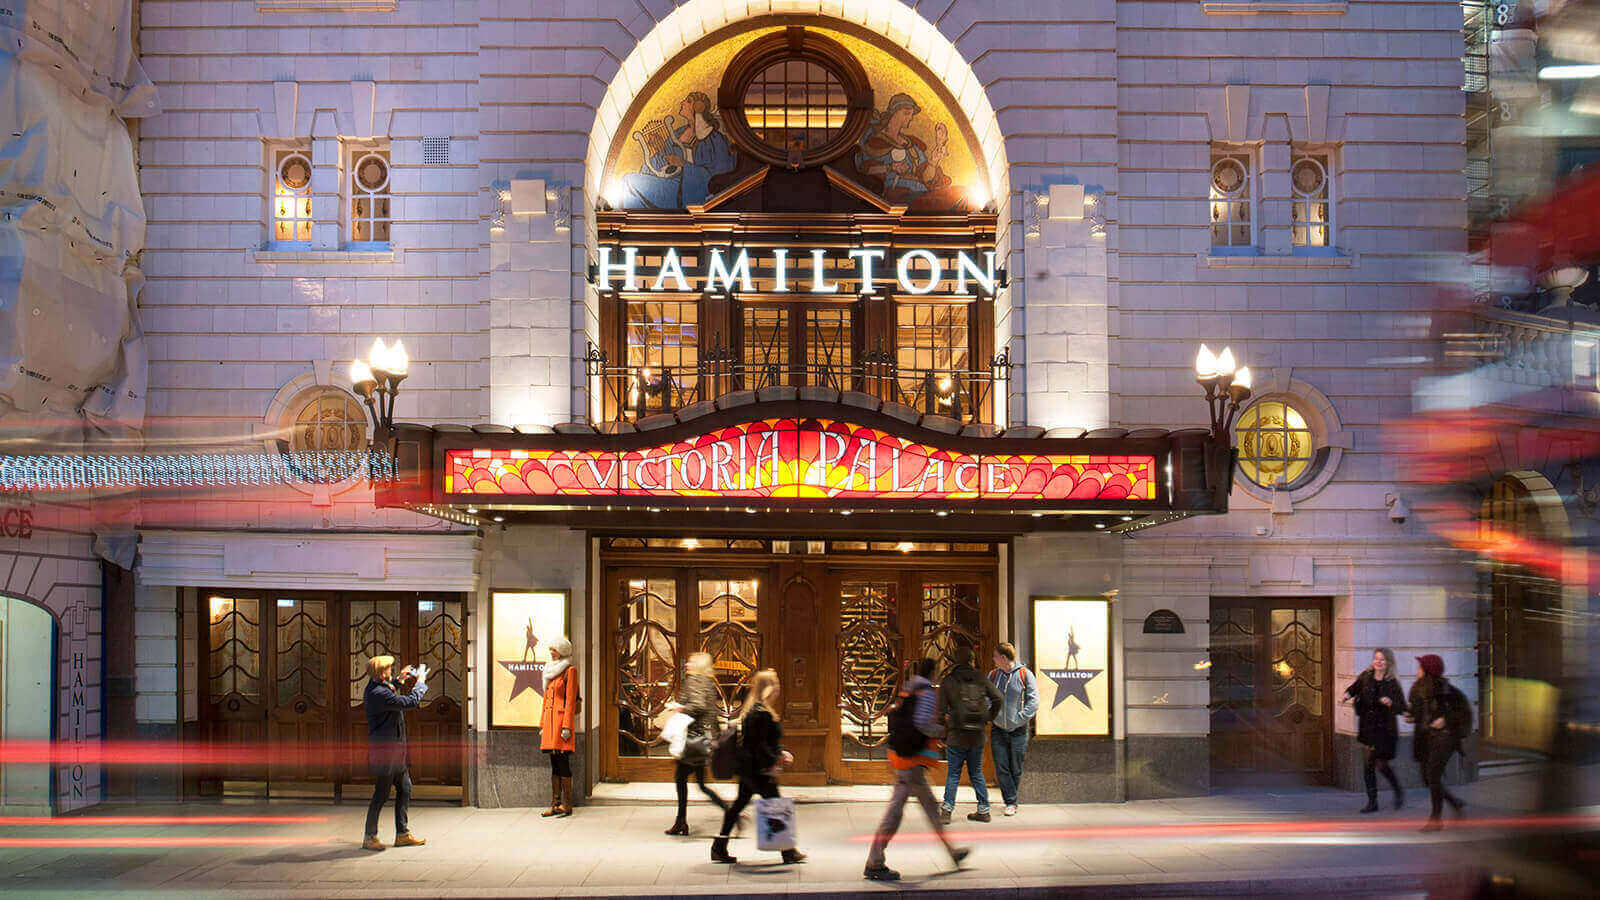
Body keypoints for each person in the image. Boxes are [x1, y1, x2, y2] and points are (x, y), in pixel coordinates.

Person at [864, 658, 970, 882]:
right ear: (934, 673)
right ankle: (874, 861)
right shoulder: (926, 692)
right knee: (896, 813)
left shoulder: (909, 688)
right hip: (910, 763)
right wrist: (941, 731)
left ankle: (953, 852)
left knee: (929, 808)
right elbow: (922, 723)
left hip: (904, 760)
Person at [710, 668, 805, 865]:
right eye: (776, 684)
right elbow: (759, 744)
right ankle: (788, 851)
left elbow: (763, 741)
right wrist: (771, 763)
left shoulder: (755, 710)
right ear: (768, 688)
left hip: (749, 768)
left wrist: (780, 752)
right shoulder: (760, 713)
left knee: (738, 805)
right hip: (758, 769)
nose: (779, 688)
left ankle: (719, 847)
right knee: (776, 804)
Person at [362, 655, 429, 851]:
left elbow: (390, 688)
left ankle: (402, 834)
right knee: (381, 794)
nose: (391, 670)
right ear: (382, 672)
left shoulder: (379, 686)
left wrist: (400, 679)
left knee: (405, 788)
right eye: (389, 669)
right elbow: (409, 702)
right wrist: (420, 683)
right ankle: (370, 836)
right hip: (386, 753)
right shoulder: (377, 693)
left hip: (396, 752)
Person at [939, 644, 1003, 823]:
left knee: (953, 773)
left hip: (956, 734)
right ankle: (983, 810)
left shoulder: (949, 680)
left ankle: (947, 811)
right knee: (976, 772)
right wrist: (988, 717)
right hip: (977, 734)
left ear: (954, 660)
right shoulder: (981, 678)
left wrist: (941, 732)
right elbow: (998, 697)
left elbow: (940, 710)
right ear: (971, 660)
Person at [666, 652, 728, 836]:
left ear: (699, 665)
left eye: (692, 662)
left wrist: (679, 708)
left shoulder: (694, 680)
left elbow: (698, 705)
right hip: (705, 738)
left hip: (695, 739)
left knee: (681, 779)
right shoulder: (708, 681)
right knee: (700, 784)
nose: (687, 664)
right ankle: (728, 811)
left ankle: (681, 822)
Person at [1408, 654, 1469, 831]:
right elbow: (1418, 711)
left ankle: (1436, 820)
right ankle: (1454, 802)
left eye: (1420, 667)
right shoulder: (1417, 688)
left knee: (1433, 776)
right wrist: (1412, 717)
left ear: (1428, 671)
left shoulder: (1446, 689)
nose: (1417, 669)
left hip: (1445, 738)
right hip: (1426, 738)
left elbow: (1463, 712)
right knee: (1428, 779)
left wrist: (1445, 719)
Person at [1343, 647, 1407, 813]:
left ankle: (1398, 789)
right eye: (1376, 658)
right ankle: (1373, 802)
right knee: (1368, 765)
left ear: (1388, 663)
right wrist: (1347, 694)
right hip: (1367, 727)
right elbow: (1354, 688)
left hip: (1384, 730)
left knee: (1381, 764)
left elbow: (1402, 706)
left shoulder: (1392, 683)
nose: (1378, 662)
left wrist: (1390, 703)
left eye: (1382, 659)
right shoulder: (1366, 676)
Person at [988, 642, 1039, 817]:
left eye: (995, 656)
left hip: (1018, 730)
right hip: (998, 729)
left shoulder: (1025, 675)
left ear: (1003, 658)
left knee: (1015, 767)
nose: (993, 660)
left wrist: (1019, 718)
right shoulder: (993, 675)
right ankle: (1010, 801)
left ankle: (1012, 799)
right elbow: (987, 697)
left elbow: (1034, 701)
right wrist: (991, 715)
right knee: (1001, 766)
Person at [540, 636, 579, 817]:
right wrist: (542, 723)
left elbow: (570, 701)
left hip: (561, 724)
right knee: (554, 763)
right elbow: (546, 699)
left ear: (562, 651)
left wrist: (567, 727)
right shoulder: (549, 671)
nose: (551, 652)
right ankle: (555, 803)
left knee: (563, 762)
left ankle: (567, 804)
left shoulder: (569, 671)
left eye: (554, 649)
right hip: (549, 723)